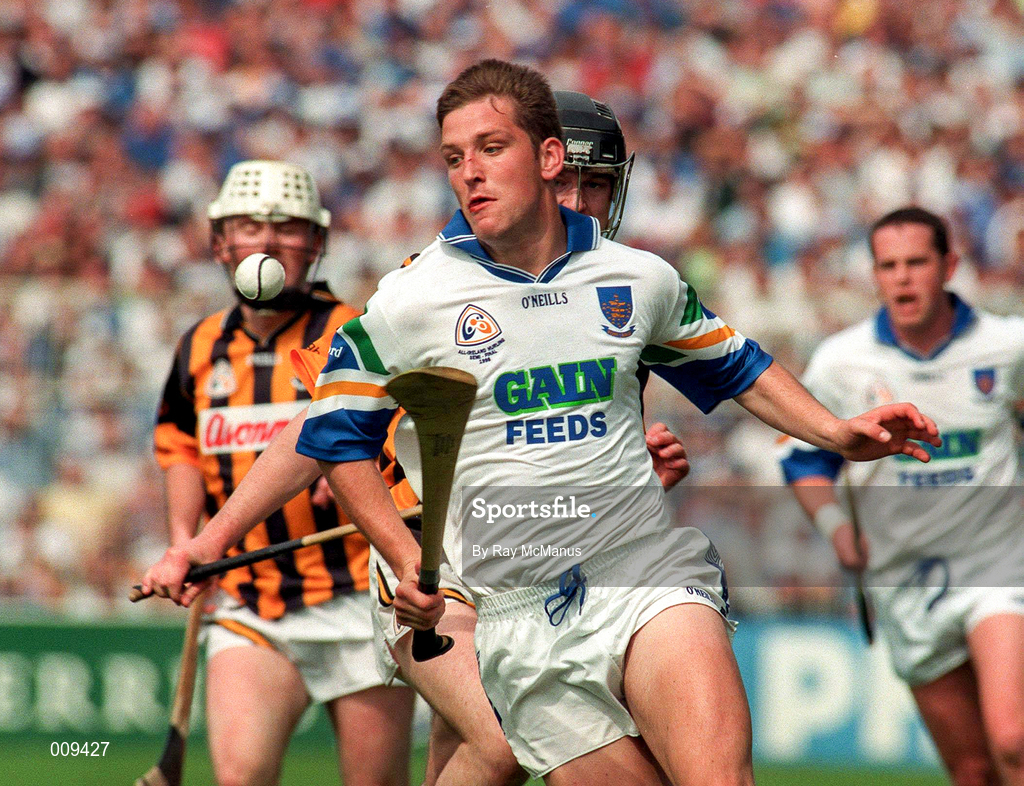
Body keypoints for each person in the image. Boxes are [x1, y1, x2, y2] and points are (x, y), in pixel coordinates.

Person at [147, 61, 938, 786]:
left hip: (638, 571)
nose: (474, 172)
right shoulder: (413, 300)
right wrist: (213, 543)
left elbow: (736, 366)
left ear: (550, 161)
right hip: (488, 602)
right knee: (487, 754)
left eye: (494, 149)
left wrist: (836, 433)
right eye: (458, 157)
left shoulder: (638, 279)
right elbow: (324, 434)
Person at [143, 89, 691, 786]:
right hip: (434, 580)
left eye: (596, 184)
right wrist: (206, 541)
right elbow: (319, 427)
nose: (578, 202)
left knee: (479, 759)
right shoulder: (428, 291)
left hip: (541, 569)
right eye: (565, 182)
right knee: (511, 747)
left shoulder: (626, 291)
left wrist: (627, 481)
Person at [152, 160, 415, 786]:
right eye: (249, 225)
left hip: (360, 598)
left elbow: (401, 436)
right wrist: (185, 539)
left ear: (316, 244)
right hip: (251, 602)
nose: (267, 242)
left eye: (288, 228)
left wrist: (354, 468)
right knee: (241, 778)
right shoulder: (199, 346)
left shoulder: (351, 332)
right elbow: (178, 444)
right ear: (221, 243)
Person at [780, 206, 1024, 786]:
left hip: (997, 564)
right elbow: (802, 458)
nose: (902, 277)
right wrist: (839, 531)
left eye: (917, 262)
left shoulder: (1008, 345)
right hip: (903, 578)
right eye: (888, 265)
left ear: (950, 266)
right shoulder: (843, 361)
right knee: (970, 770)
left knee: (1013, 739)